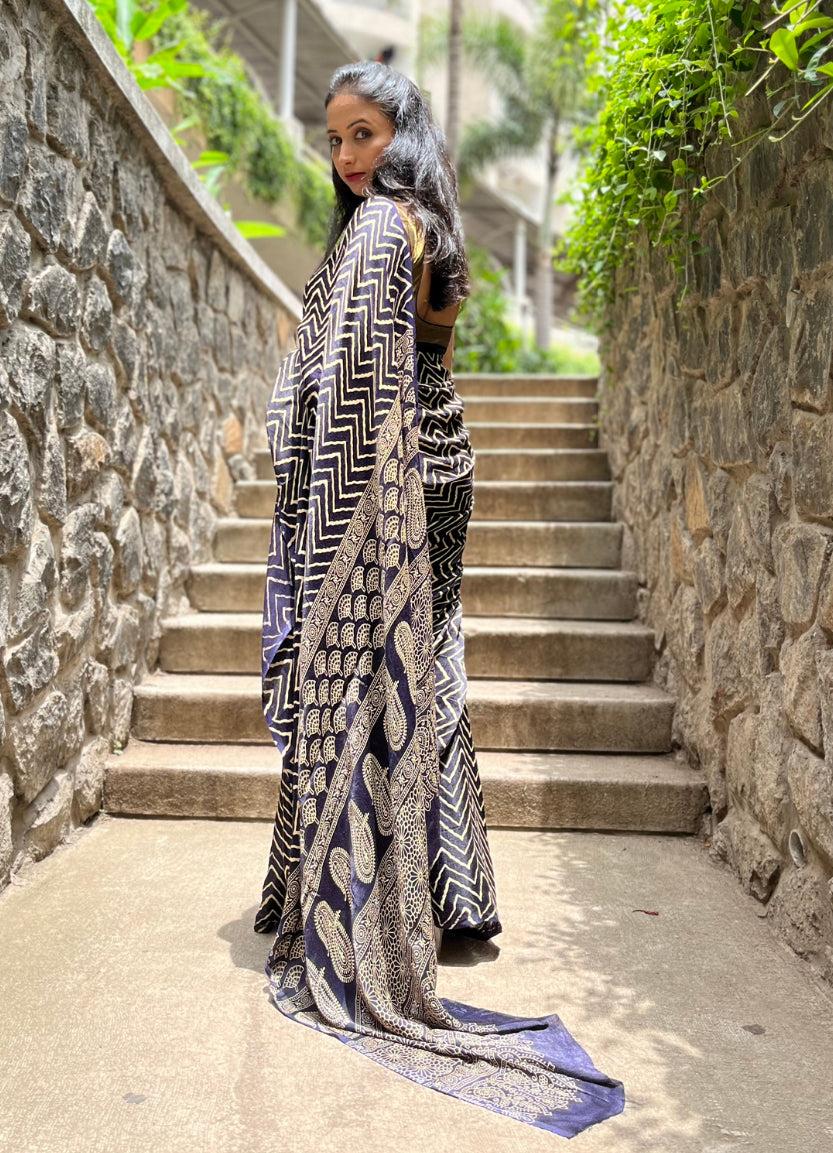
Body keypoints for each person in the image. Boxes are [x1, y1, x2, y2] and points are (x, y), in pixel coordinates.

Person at [254, 60, 624, 1138]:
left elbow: (357, 374)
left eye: (362, 133)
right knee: (426, 672)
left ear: (401, 130)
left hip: (396, 475)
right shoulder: (421, 230)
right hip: (426, 458)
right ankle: (446, 894)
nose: (345, 157)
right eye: (333, 140)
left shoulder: (385, 231)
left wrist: (326, 472)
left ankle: (380, 898)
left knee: (383, 670)